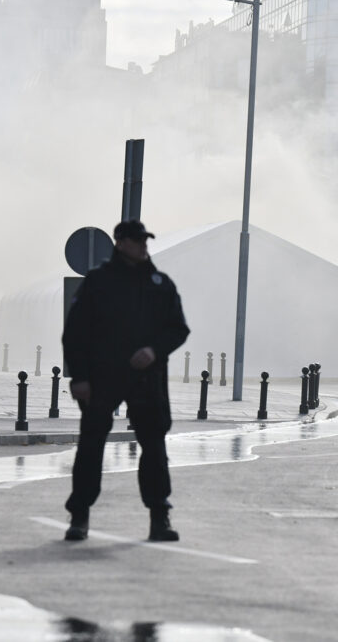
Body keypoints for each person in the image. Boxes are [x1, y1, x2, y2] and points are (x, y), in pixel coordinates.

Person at [62, 220, 190, 542]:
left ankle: (159, 516)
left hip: (147, 378)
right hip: (103, 377)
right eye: (136, 240)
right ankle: (80, 515)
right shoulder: (98, 282)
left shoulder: (159, 284)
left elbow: (178, 328)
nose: (142, 245)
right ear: (120, 243)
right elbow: (75, 333)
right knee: (91, 446)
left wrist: (154, 350)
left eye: (144, 240)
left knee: (155, 447)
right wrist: (79, 377)